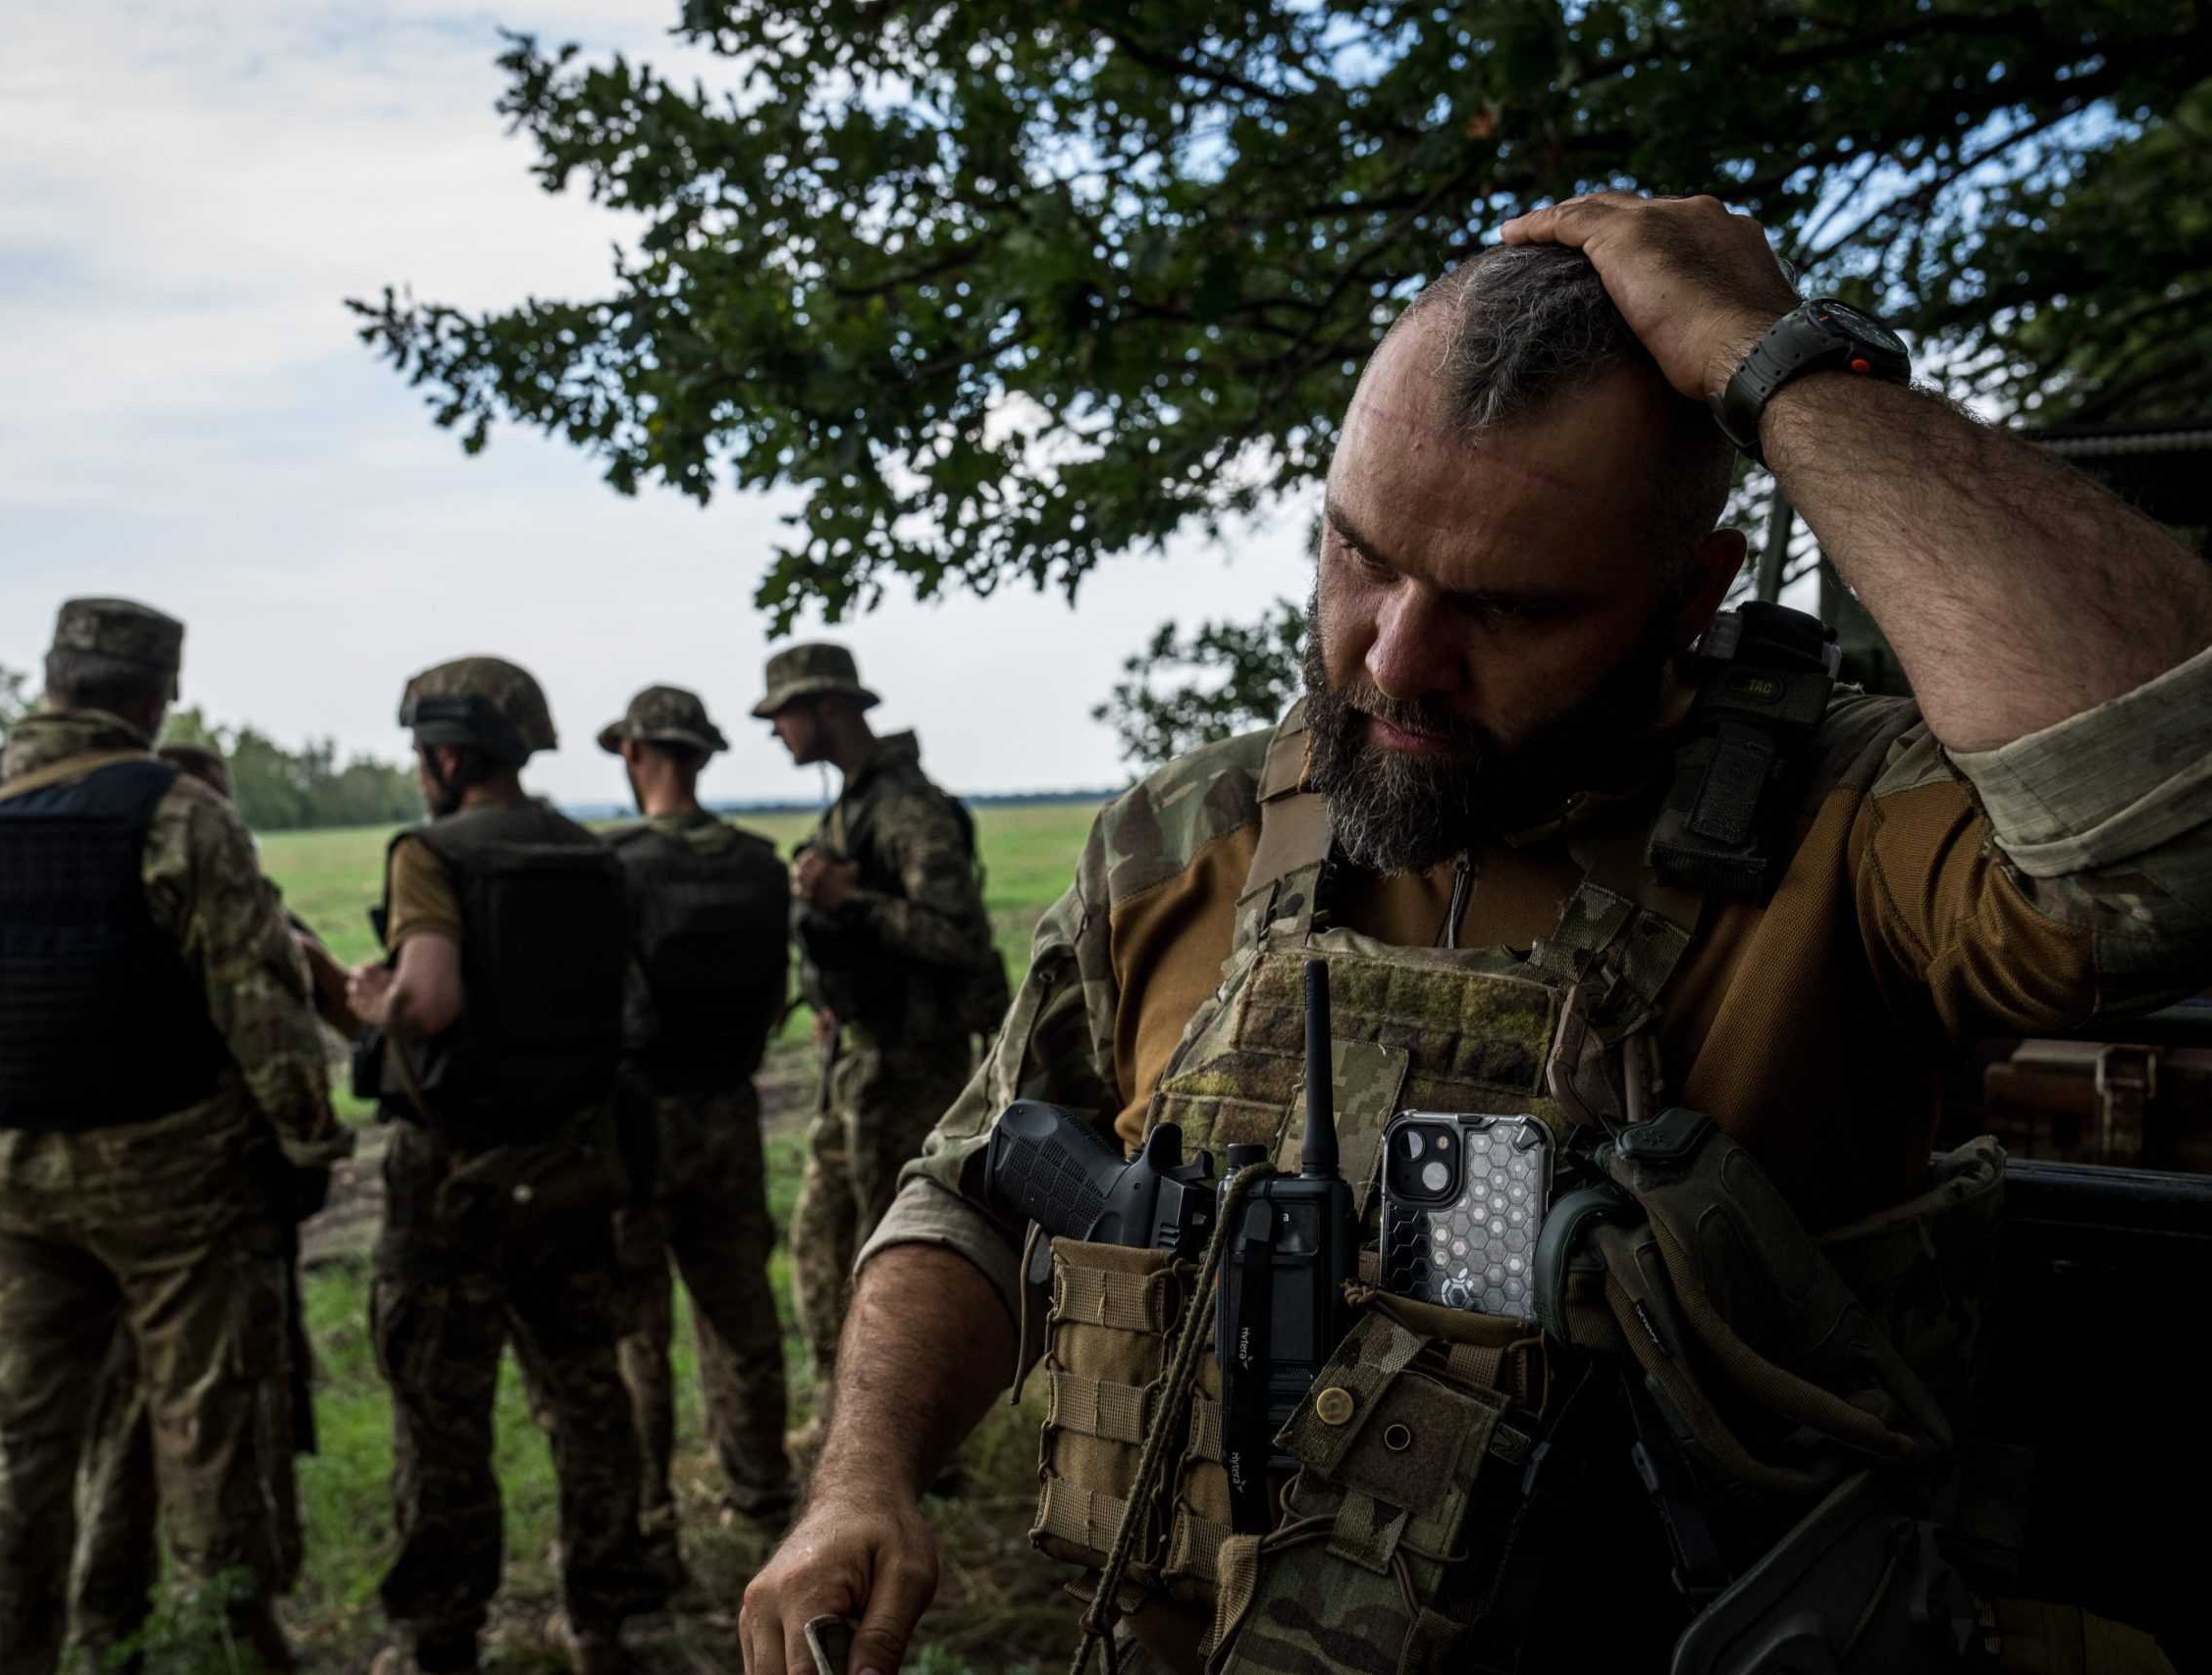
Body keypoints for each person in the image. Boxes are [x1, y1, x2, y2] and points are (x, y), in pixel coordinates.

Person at [739, 195, 2212, 1675]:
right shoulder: (1185, 837)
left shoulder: (1856, 834)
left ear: (1691, 598)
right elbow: (976, 1180)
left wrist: (1778, 363)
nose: (1394, 658)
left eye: (1507, 608)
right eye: (1361, 553)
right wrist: (863, 1476)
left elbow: (2172, 831)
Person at [0, 597, 348, 1675]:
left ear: (53, 678)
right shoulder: (179, 813)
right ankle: (219, 1653)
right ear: (157, 699)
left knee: (17, 1461)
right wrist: (303, 1151)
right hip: (176, 1190)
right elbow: (264, 1012)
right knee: (207, 1455)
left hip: (2, 1185)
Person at [349, 656, 665, 1675]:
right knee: (586, 1398)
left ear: (448, 753)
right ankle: (604, 1617)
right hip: (575, 1167)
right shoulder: (590, 853)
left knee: (443, 1413)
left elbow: (429, 1003)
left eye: (419, 754)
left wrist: (373, 1004)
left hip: (454, 1181)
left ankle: (441, 1637)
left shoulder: (428, 854)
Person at [65, 739, 359, 1663]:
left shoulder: (101, 920)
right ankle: (232, 1620)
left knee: (124, 1426)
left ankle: (115, 1620)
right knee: (227, 1425)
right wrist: (312, 1150)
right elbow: (308, 1044)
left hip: (100, 1217)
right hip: (214, 1219)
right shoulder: (239, 917)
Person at [750, 643, 1001, 1440]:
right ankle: (850, 1429)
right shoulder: (848, 807)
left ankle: (906, 1441)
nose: (777, 731)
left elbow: (958, 936)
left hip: (909, 1068)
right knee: (823, 1246)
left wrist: (853, 900)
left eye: (783, 713)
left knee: (890, 1265)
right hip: (859, 1061)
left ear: (828, 708)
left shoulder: (905, 808)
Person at [598, 684, 798, 1547]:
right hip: (730, 1111)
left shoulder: (616, 865)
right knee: (741, 1318)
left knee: (638, 1331)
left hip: (637, 1122)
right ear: (703, 756)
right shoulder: (761, 863)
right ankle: (760, 1502)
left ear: (635, 755)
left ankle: (648, 1519)